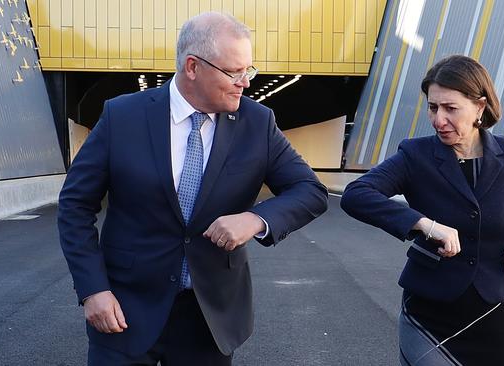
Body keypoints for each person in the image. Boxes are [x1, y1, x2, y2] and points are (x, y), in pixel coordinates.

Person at [57, 12, 328, 365]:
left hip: (209, 319)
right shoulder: (122, 116)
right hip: (123, 309)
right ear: (192, 67)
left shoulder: (257, 123)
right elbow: (75, 205)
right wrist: (93, 289)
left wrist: (255, 220)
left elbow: (310, 190)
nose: (244, 83)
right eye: (234, 72)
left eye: (249, 70)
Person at [341, 55, 504, 365]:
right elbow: (356, 195)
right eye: (433, 107)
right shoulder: (414, 155)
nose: (437, 120)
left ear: (480, 107)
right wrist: (424, 224)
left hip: (500, 310)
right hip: (429, 309)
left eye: (450, 108)